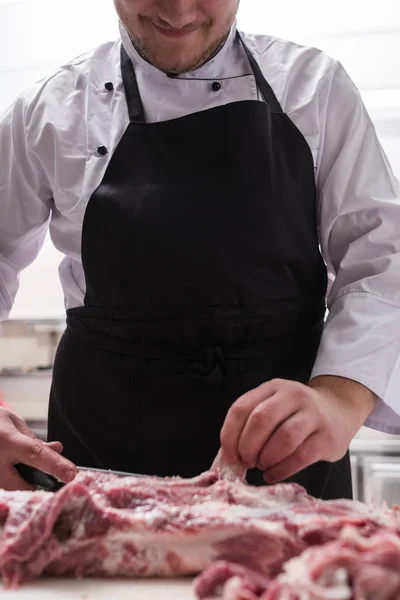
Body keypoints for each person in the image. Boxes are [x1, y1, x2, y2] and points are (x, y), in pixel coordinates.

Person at [0, 0, 399, 499]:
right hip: (99, 462)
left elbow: (381, 258)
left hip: (286, 457)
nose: (180, 8)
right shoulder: (50, 109)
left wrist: (340, 400)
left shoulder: (315, 89)